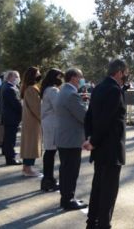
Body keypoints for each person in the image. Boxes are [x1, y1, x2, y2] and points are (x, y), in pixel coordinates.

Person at [83, 59, 129, 229]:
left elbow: (89, 116)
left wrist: (89, 138)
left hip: (99, 146)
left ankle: (92, 221)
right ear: (119, 72)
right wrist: (93, 141)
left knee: (97, 187)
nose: (126, 76)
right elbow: (106, 120)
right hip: (110, 148)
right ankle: (103, 224)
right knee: (108, 191)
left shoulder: (99, 88)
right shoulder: (114, 91)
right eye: (125, 72)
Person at [55, 68, 88, 210]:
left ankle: (66, 198)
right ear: (74, 78)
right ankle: (68, 200)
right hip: (71, 139)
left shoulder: (64, 91)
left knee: (65, 170)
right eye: (80, 77)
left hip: (64, 138)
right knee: (71, 171)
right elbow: (84, 116)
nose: (82, 80)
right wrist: (86, 105)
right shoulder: (71, 94)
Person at [40, 68, 63, 192]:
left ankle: (48, 179)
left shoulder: (47, 89)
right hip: (52, 123)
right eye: (59, 77)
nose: (61, 80)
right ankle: (48, 180)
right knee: (50, 153)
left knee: (49, 152)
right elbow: (58, 106)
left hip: (48, 122)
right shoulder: (53, 90)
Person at [19, 67, 43, 177]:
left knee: (29, 144)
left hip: (30, 121)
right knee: (30, 145)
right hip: (32, 122)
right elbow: (36, 107)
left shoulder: (29, 88)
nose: (40, 75)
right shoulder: (31, 89)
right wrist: (43, 118)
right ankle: (27, 169)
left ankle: (27, 167)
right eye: (38, 73)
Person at [1, 71, 23, 166]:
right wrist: (24, 111)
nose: (18, 78)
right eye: (17, 76)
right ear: (10, 77)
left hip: (10, 117)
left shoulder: (8, 87)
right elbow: (16, 104)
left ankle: (9, 156)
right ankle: (10, 159)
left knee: (8, 139)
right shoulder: (9, 89)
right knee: (10, 139)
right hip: (11, 118)